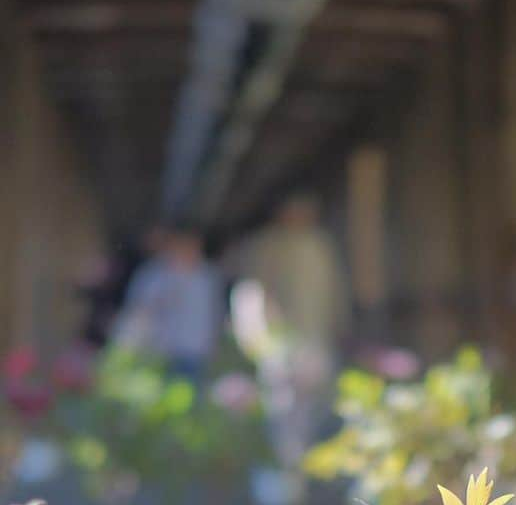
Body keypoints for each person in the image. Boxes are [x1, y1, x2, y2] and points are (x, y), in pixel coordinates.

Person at [228, 196, 350, 468]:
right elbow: (254, 293)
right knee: (282, 405)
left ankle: (310, 465)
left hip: (316, 335)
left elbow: (334, 290)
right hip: (283, 340)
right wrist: (264, 334)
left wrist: (339, 323)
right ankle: (285, 466)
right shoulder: (267, 246)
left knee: (320, 401)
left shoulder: (320, 245)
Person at [113, 225, 222, 380]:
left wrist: (212, 343)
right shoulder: (154, 274)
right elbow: (138, 307)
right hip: (159, 347)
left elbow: (213, 313)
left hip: (195, 349)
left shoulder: (207, 277)